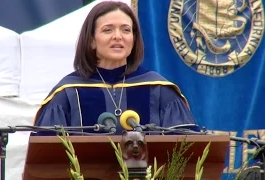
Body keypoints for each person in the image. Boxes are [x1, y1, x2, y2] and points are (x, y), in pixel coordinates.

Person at [33, 1, 198, 135]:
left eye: (126, 30)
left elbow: (185, 151)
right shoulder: (67, 92)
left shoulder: (159, 89)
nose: (118, 36)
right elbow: (46, 156)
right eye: (107, 30)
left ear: (133, 40)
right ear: (91, 40)